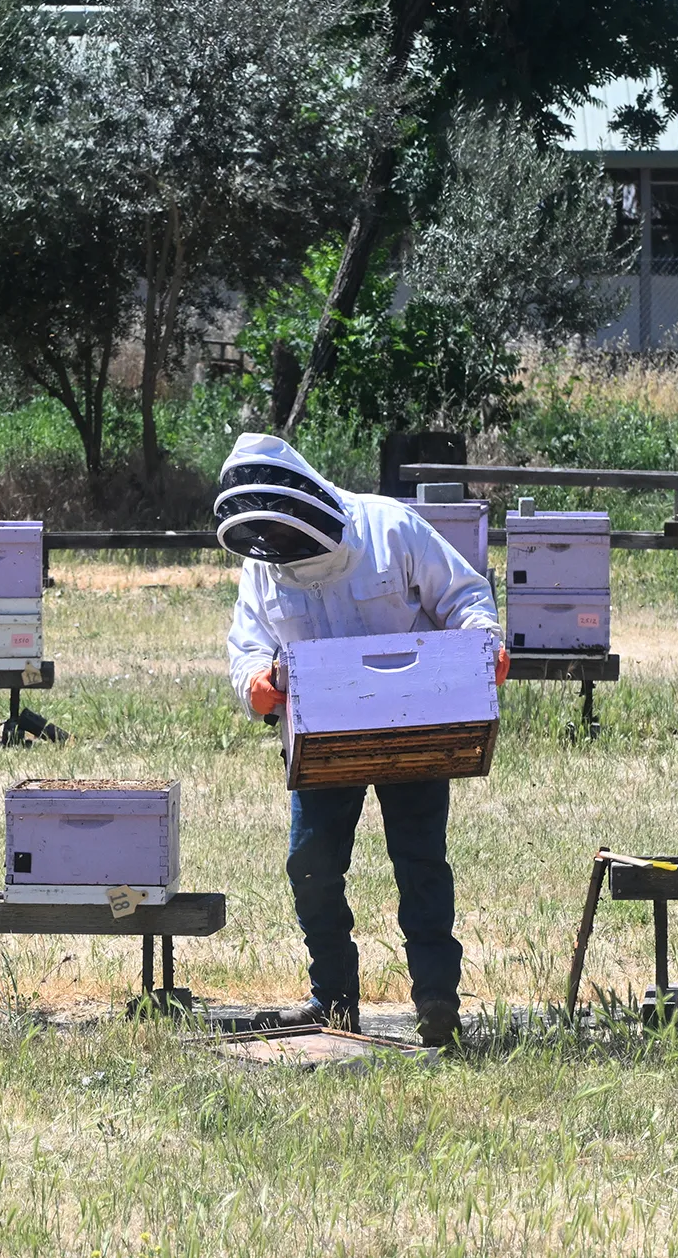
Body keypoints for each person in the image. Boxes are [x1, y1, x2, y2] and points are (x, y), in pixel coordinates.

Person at [216, 432, 506, 1046]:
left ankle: (436, 999)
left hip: (415, 723)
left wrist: (485, 642)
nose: (285, 551)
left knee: (420, 860)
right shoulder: (263, 566)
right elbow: (247, 646)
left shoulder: (388, 525)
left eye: (291, 540)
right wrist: (256, 684)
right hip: (324, 735)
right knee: (311, 864)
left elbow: (464, 594)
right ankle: (334, 1001)